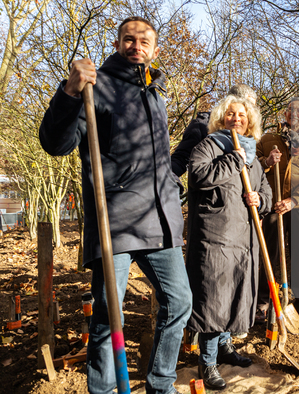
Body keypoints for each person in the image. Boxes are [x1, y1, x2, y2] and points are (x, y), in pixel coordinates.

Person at [38, 17, 191, 394]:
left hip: (160, 221)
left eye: (144, 40)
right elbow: (55, 144)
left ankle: (160, 384)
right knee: (110, 316)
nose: (136, 45)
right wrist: (70, 92)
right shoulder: (97, 86)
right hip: (116, 222)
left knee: (180, 302)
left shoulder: (156, 93)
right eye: (129, 38)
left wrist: (173, 186)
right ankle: (105, 390)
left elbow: (155, 162)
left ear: (155, 50)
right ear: (119, 44)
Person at [186, 95, 272, 390]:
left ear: (250, 123)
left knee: (234, 292)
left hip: (244, 238)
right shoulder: (210, 145)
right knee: (213, 299)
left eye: (242, 116)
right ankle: (207, 362)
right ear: (222, 118)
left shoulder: (254, 157)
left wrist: (260, 200)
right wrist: (232, 160)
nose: (237, 119)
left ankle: (225, 348)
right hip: (216, 236)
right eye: (231, 114)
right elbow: (197, 175)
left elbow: (266, 192)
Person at [255, 98, 299, 321]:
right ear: (284, 114)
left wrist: (294, 200)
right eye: (290, 110)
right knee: (269, 255)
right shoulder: (267, 139)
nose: (294, 114)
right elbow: (250, 166)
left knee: (298, 256)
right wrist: (266, 161)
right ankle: (263, 303)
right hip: (273, 206)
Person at [171, 84, 257, 178]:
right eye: (249, 104)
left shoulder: (248, 136)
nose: (251, 110)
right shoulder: (202, 125)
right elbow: (181, 159)